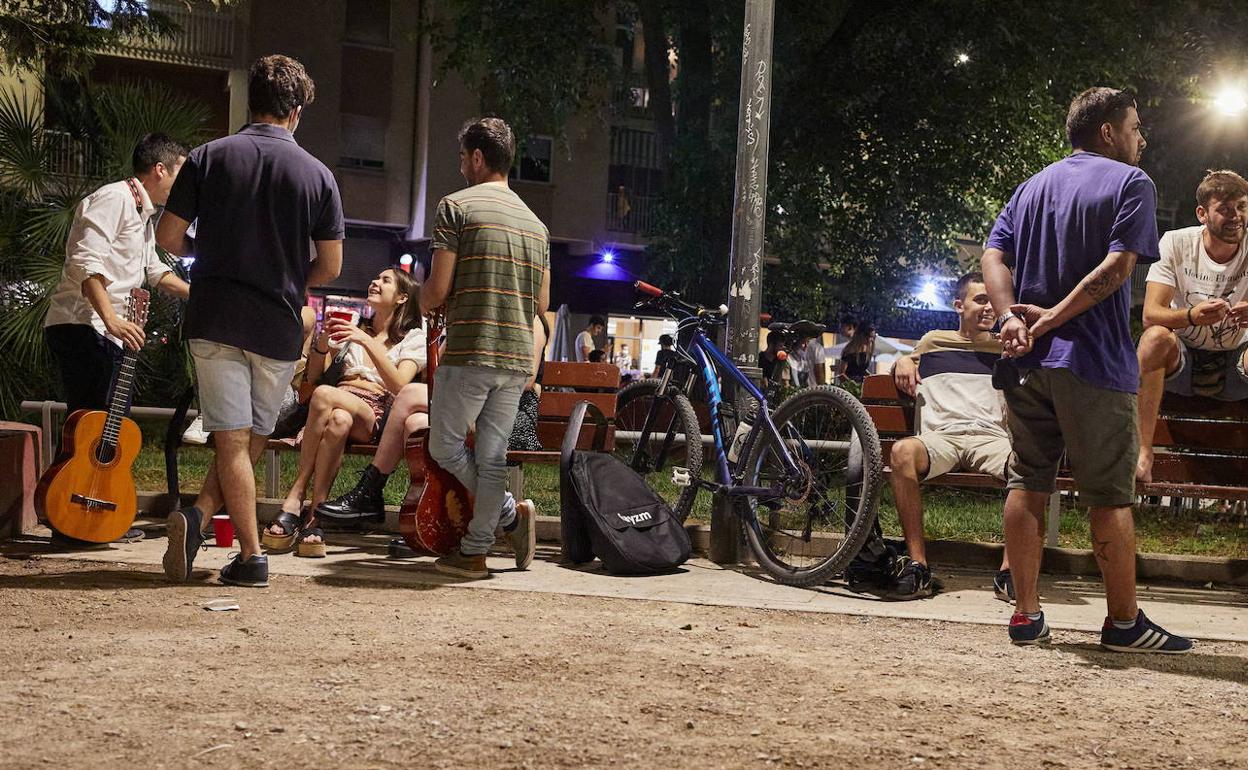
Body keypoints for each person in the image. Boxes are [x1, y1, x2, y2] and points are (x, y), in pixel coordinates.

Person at [981, 87, 1191, 652]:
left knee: (1027, 482)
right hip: (1092, 362)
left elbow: (991, 255)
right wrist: (1051, 318)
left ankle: (1026, 616)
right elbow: (1119, 268)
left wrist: (1009, 320)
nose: (1140, 138)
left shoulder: (1031, 186)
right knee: (1108, 496)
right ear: (1107, 132)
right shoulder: (1131, 184)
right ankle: (1124, 624)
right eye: (1135, 126)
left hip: (1026, 363)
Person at [156, 54, 344, 588]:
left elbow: (169, 238)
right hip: (279, 325)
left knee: (235, 442)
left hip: (215, 316)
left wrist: (210, 254)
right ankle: (247, 551)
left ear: (249, 102)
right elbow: (329, 267)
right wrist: (283, 273)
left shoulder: (209, 158)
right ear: (297, 111)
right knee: (251, 438)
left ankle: (215, 533)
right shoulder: (319, 175)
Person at [43, 132, 192, 543]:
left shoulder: (143, 216)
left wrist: (204, 296)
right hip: (82, 326)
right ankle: (71, 520)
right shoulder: (114, 199)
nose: (186, 185)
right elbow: (84, 264)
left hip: (108, 331)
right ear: (160, 170)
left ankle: (87, 517)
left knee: (102, 425)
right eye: (182, 172)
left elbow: (154, 272)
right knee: (88, 427)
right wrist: (112, 320)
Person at [420, 117, 551, 580]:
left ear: (477, 158)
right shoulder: (537, 226)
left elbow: (436, 291)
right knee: (492, 456)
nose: (461, 168)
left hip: (472, 349)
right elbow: (543, 303)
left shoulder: (455, 207)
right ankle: (477, 549)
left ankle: (510, 516)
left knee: (443, 446)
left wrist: (421, 299)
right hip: (517, 357)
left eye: (462, 158)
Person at [264, 268, 426, 557]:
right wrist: (322, 344)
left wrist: (365, 342)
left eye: (385, 280)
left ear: (402, 297)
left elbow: (400, 386)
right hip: (338, 407)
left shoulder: (411, 337)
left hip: (375, 411)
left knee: (326, 396)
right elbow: (314, 377)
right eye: (375, 277)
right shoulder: (354, 328)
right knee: (337, 420)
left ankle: (295, 494)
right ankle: (316, 517)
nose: (374, 282)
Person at [886, 272, 1013, 600]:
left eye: (994, 302)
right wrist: (901, 360)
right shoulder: (932, 342)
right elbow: (905, 364)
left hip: (991, 438)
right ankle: (919, 566)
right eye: (980, 300)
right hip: (942, 437)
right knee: (901, 453)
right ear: (959, 305)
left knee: (1031, 463)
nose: (989, 308)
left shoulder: (1005, 348)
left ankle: (1011, 571)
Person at [1135, 170, 1248, 482]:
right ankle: (1143, 453)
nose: (1236, 216)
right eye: (1225, 209)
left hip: (1235, 360)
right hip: (1182, 361)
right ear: (1202, 213)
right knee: (1155, 338)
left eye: (1242, 207)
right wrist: (1191, 315)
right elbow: (1150, 314)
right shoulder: (1176, 242)